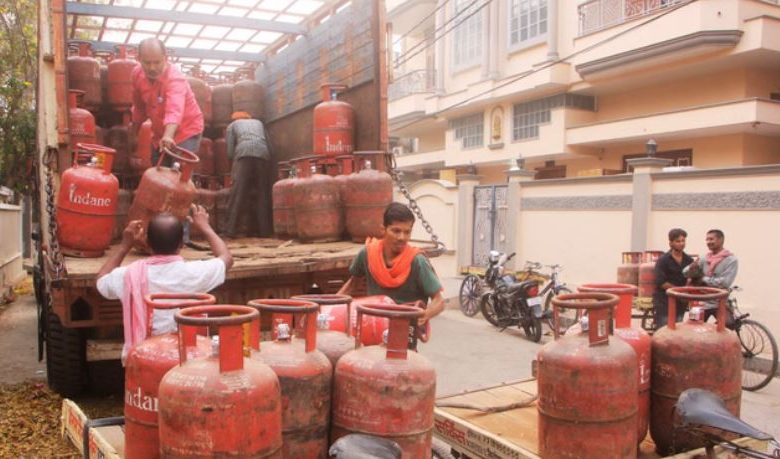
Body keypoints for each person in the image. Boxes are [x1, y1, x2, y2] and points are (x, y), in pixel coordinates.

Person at [96, 205, 232, 363]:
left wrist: (125, 246)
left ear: (147, 243)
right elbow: (226, 259)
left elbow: (100, 282)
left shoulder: (128, 275)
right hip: (188, 355)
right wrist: (205, 227)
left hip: (144, 357)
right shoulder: (194, 272)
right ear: (182, 244)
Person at [338, 202, 445, 347]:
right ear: (383, 229)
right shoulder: (367, 254)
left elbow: (439, 301)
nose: (402, 237)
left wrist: (424, 315)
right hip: (371, 328)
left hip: (404, 334)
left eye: (407, 232)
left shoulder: (417, 261)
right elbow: (352, 285)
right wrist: (327, 308)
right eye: (396, 231)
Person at [130, 38, 204, 167]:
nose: (152, 68)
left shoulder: (175, 78)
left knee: (178, 172)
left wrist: (168, 136)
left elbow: (174, 109)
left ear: (165, 58)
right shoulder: (137, 74)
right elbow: (139, 107)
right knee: (158, 171)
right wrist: (134, 134)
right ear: (139, 59)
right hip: (159, 133)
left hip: (186, 130)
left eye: (157, 62)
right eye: (147, 63)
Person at [224, 111, 273, 237]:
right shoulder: (259, 123)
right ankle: (265, 231)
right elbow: (269, 145)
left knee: (238, 193)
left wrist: (233, 165)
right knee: (262, 193)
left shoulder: (232, 126)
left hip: (244, 154)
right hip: (263, 154)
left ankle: (230, 230)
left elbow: (230, 151)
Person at [684, 229, 738, 321]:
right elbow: (685, 272)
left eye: (711, 239)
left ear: (721, 240)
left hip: (720, 301)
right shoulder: (704, 258)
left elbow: (725, 282)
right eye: (707, 240)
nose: (708, 242)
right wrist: (691, 269)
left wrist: (703, 279)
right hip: (700, 300)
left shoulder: (731, 260)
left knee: (729, 325)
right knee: (693, 326)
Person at [653, 228, 694, 328]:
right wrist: (679, 292)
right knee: (664, 329)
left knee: (678, 327)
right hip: (664, 301)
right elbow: (660, 282)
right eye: (678, 241)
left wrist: (686, 291)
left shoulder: (689, 260)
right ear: (670, 243)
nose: (681, 243)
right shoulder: (663, 260)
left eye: (683, 241)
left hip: (681, 302)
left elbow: (692, 278)